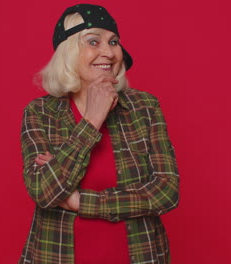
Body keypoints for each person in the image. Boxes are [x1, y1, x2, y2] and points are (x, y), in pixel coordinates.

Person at [19, 4, 179, 264]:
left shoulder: (145, 107)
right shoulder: (40, 113)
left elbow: (166, 191)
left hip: (141, 256)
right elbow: (43, 191)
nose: (109, 52)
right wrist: (92, 120)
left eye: (113, 42)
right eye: (94, 42)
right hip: (56, 256)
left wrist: (81, 202)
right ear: (68, 53)